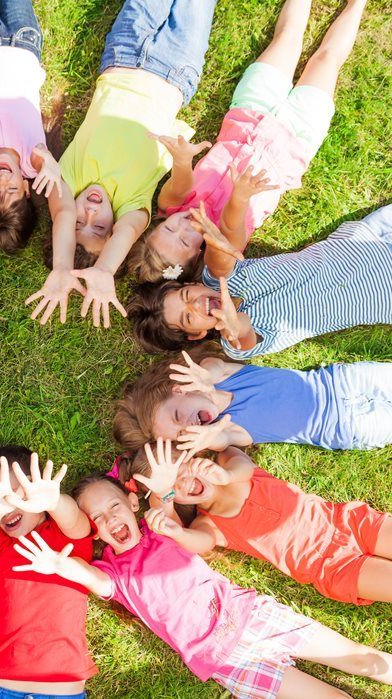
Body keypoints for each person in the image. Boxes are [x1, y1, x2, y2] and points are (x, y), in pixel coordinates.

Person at [15, 473, 392, 698]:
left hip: (253, 616)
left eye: (113, 506)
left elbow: (181, 523)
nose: (109, 518)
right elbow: (92, 578)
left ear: (132, 502)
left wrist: (167, 507)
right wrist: (59, 565)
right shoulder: (115, 574)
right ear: (93, 530)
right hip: (227, 660)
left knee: (364, 659)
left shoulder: (159, 528)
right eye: (97, 517)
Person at [128, 0, 367, 283]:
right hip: (295, 140)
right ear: (196, 257)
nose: (182, 227)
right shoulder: (227, 242)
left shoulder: (171, 205)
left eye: (168, 230)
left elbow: (181, 182)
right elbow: (233, 219)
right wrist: (240, 195)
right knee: (326, 60)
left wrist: (182, 159)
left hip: (249, 112)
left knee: (287, 37)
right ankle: (357, 4)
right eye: (184, 242)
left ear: (157, 224)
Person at [30, 0, 217, 329]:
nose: (88, 214)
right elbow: (125, 232)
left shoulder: (69, 181)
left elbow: (63, 212)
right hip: (177, 72)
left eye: (78, 223)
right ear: (115, 226)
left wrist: (62, 267)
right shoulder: (133, 205)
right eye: (99, 228)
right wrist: (103, 270)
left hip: (125, 52)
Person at [115, 439, 392, 605]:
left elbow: (242, 464)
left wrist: (225, 475)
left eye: (180, 469)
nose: (184, 483)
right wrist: (168, 510)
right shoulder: (210, 525)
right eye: (173, 486)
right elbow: (198, 543)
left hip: (349, 522)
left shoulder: (230, 465)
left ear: (195, 456)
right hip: (332, 567)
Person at [127, 196, 392, 357]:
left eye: (187, 296)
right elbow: (243, 335)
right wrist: (233, 325)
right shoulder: (234, 342)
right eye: (188, 317)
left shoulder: (219, 279)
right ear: (196, 335)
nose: (196, 304)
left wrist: (217, 239)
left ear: (193, 284)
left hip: (367, 237)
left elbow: (219, 258)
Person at [0, 446, 96, 698]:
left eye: (18, 495)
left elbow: (75, 520)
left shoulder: (64, 536)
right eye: (1, 500)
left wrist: (55, 501)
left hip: (63, 692)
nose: (9, 507)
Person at [0, 0, 73, 257]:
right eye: (10, 190)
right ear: (26, 188)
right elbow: (62, 206)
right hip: (24, 41)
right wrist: (51, 165)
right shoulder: (33, 162)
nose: (2, 180)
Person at [113, 350, 392, 453]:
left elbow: (213, 367)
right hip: (346, 426)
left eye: (177, 417)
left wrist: (204, 377)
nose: (188, 426)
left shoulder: (221, 375)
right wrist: (209, 438)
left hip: (341, 382)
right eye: (183, 434)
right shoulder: (228, 430)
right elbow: (223, 440)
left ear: (179, 390)